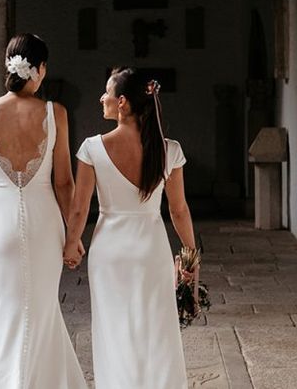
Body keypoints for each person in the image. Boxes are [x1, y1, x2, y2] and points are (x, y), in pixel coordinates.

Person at [0, 33, 87, 389]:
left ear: (9, 66)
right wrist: (73, 236)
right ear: (40, 69)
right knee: (42, 309)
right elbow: (64, 184)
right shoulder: (54, 113)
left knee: (9, 308)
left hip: (1, 225)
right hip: (45, 223)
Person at [63, 67, 196, 389]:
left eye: (107, 92)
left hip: (110, 250)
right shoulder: (170, 150)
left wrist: (71, 243)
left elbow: (80, 207)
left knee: (113, 330)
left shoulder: (92, 148)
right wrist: (191, 256)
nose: (102, 98)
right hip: (151, 249)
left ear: (122, 102)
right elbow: (178, 210)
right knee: (156, 329)